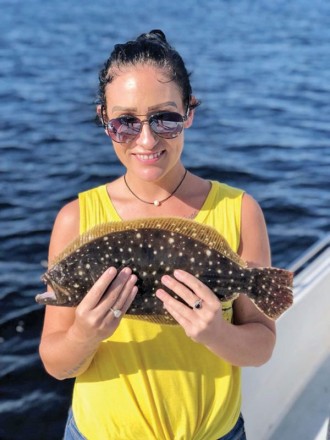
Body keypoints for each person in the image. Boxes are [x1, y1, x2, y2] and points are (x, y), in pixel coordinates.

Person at [39, 29, 276, 440]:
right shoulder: (74, 220)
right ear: (104, 121)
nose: (146, 139)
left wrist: (215, 333)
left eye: (165, 117)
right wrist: (85, 334)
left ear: (189, 113)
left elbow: (262, 346)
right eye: (125, 122)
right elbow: (57, 363)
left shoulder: (239, 211)